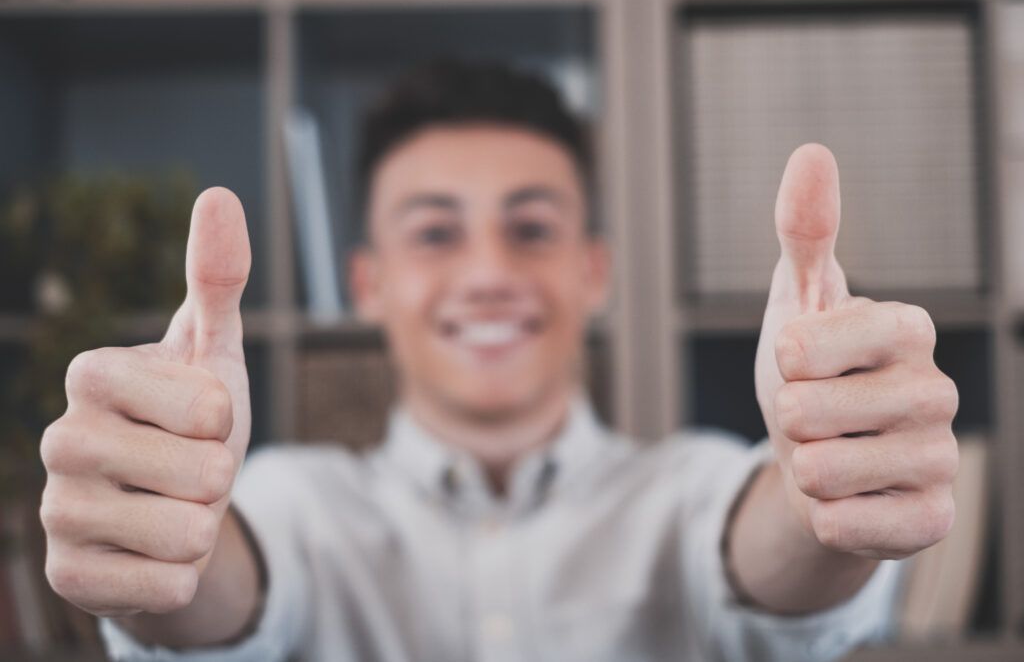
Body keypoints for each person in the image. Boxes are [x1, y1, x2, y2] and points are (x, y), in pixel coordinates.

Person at [38, 61, 959, 661]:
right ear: (368, 283)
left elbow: (774, 548)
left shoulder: (693, 487)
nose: (487, 273)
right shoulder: (292, 504)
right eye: (435, 232)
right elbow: (220, 587)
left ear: (592, 270)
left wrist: (821, 491)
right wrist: (160, 539)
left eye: (531, 227)